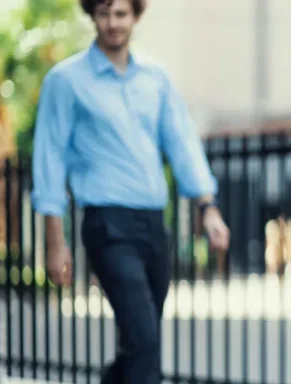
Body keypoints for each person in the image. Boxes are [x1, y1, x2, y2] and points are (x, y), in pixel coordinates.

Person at [30, 0, 230, 383]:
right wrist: (55, 241)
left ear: (136, 16)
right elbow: (49, 159)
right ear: (92, 15)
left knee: (138, 342)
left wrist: (208, 207)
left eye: (121, 14)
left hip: (153, 226)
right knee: (144, 339)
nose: (112, 23)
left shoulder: (156, 79)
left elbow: (183, 144)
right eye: (104, 13)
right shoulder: (67, 80)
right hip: (107, 226)